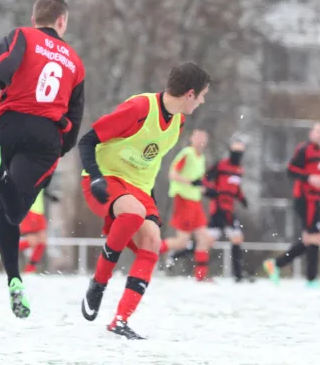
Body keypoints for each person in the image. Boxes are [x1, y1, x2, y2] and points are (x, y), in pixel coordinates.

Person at [0, 0, 85, 318]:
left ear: (33, 16)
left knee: (5, 206)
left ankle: (14, 281)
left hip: (7, 125)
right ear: (62, 21)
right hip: (45, 136)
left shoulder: (21, 36)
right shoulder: (76, 62)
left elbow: (5, 63)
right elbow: (76, 115)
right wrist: (60, 149)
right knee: (15, 212)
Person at [78, 62, 211, 339]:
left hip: (139, 189)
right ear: (189, 94)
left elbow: (148, 164)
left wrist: (150, 200)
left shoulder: (178, 122)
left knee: (152, 239)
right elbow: (87, 141)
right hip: (107, 177)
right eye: (202, 95)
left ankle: (120, 321)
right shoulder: (139, 109)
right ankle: (99, 283)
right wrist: (96, 177)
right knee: (133, 213)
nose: (202, 101)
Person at [167, 135, 253, 282]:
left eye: (241, 152)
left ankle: (179, 254)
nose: (238, 155)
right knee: (218, 239)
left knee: (211, 241)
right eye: (236, 151)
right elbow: (206, 180)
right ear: (230, 150)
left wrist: (242, 198)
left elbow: (236, 188)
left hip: (229, 209)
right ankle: (237, 275)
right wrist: (210, 192)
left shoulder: (239, 170)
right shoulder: (221, 165)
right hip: (218, 209)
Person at [263, 123, 320, 288]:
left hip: (315, 199)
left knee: (310, 239)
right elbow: (290, 170)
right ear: (312, 133)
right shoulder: (304, 149)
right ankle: (311, 279)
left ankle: (276, 264)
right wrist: (308, 178)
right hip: (305, 199)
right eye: (319, 132)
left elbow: (319, 176)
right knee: (315, 238)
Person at [159, 129, 211, 281]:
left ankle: (201, 277)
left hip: (195, 201)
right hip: (183, 199)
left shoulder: (201, 157)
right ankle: (150, 249)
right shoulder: (187, 153)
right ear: (191, 138)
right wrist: (190, 182)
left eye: (204, 137)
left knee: (204, 238)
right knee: (182, 241)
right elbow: (172, 174)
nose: (201, 140)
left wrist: (206, 190)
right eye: (198, 137)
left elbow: (198, 181)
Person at [0, 188, 60, 273]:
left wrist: (49, 196)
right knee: (32, 242)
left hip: (39, 212)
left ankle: (30, 268)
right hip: (30, 211)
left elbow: (40, 187)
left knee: (42, 242)